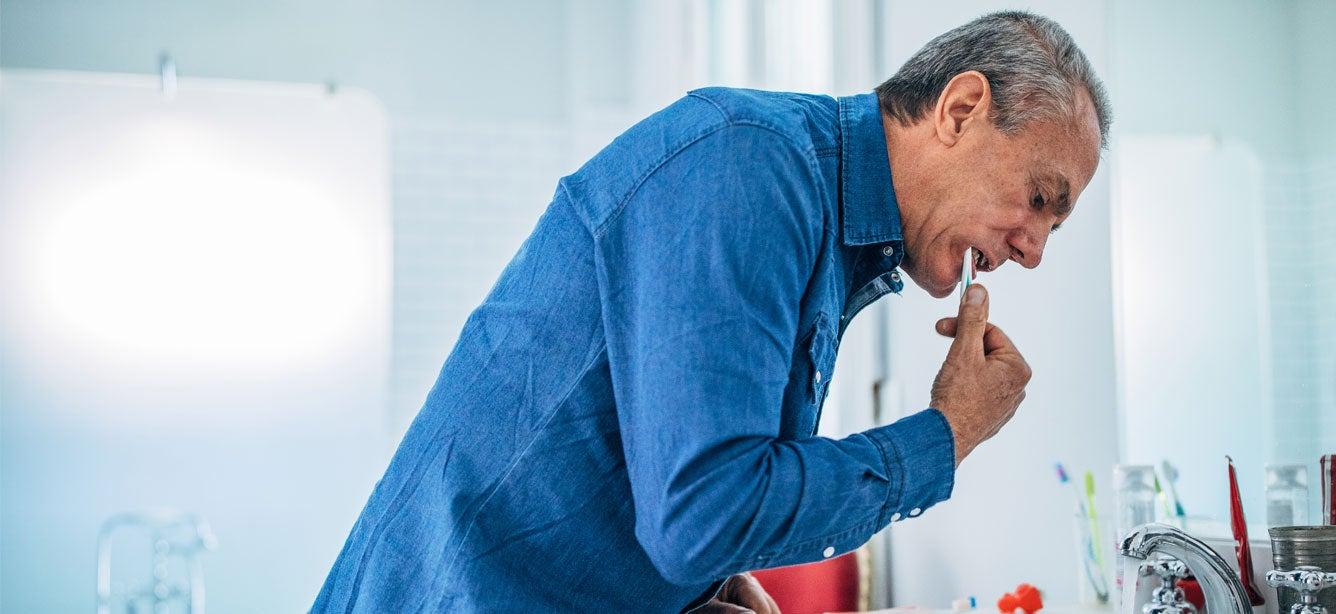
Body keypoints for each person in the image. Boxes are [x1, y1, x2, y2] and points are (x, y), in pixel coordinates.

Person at [314, 10, 1110, 613]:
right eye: (1040, 199)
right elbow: (701, 511)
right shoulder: (750, 166)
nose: (1035, 248)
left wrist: (709, 587)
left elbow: (654, 457)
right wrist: (946, 434)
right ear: (961, 109)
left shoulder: (817, 225)